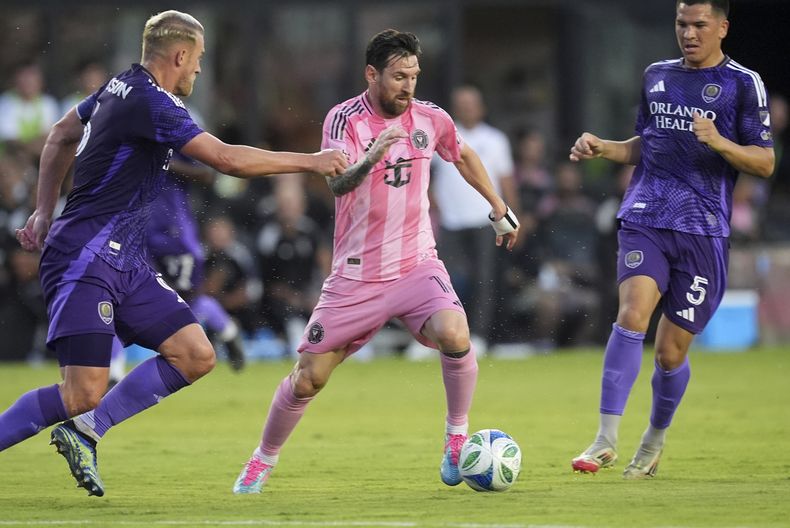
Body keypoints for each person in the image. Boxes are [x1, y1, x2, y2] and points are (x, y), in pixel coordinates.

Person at [0, 10, 346, 497]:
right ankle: (79, 420)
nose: (199, 68)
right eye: (198, 58)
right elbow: (225, 159)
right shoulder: (152, 102)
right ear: (180, 55)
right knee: (81, 392)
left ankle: (86, 433)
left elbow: (60, 134)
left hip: (126, 259)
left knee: (195, 354)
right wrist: (312, 161)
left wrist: (42, 211)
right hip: (86, 255)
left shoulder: (119, 86)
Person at [231, 29, 519, 494]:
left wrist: (497, 204)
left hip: (416, 264)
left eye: (414, 76)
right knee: (308, 380)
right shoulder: (344, 119)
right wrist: (371, 157)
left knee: (455, 333)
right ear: (372, 73)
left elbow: (462, 154)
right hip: (357, 276)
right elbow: (337, 183)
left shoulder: (431, 118)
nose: (409, 86)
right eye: (399, 76)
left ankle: (455, 440)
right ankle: (261, 461)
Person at [568, 0, 774, 479]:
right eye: (682, 24)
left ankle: (653, 440)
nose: (689, 33)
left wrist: (719, 142)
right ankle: (604, 438)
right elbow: (647, 144)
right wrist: (604, 147)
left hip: (704, 230)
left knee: (669, 354)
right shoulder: (657, 75)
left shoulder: (743, 83)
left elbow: (765, 162)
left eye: (700, 24)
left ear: (723, 27)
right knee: (631, 314)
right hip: (647, 215)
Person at [430, 85, 519, 354]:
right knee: (441, 280)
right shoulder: (442, 136)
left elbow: (506, 180)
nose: (467, 109)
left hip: (484, 220)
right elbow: (427, 177)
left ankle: (478, 335)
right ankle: (440, 335)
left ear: (481, 108)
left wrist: (514, 216)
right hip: (450, 220)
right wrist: (434, 206)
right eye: (462, 104)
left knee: (484, 280)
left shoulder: (495, 139)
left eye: (471, 104)